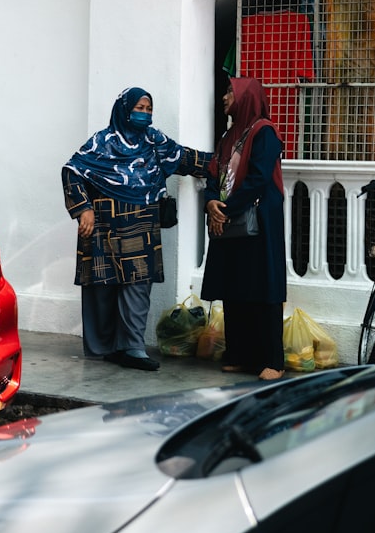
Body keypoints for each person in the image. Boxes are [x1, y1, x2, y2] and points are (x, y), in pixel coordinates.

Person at [62, 87, 211, 371]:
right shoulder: (102, 142)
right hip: (104, 225)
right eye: (139, 108)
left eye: (148, 109)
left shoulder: (153, 140)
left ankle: (133, 348)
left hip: (140, 225)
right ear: (124, 109)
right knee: (103, 287)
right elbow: (72, 171)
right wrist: (83, 209)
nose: (144, 114)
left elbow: (183, 158)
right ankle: (106, 347)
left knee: (138, 287)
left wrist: (225, 162)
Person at [201, 77, 287, 381]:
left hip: (258, 221)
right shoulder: (228, 137)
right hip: (230, 218)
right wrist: (211, 202)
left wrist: (225, 210)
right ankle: (239, 355)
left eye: (230, 92)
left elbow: (258, 179)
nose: (225, 97)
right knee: (234, 286)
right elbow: (213, 175)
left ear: (246, 97)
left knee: (263, 288)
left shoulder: (265, 132)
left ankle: (273, 361)